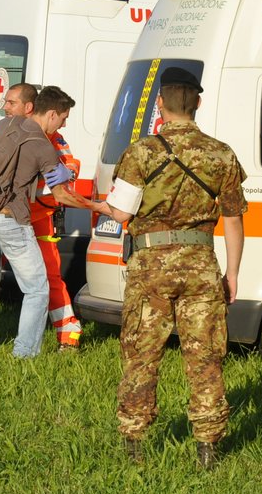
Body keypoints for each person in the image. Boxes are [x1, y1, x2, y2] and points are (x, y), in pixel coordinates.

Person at [101, 67, 246, 469]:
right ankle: (208, 449)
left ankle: (134, 446)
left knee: (141, 355)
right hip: (201, 266)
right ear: (197, 103)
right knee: (205, 358)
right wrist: (232, 273)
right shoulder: (222, 153)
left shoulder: (141, 152)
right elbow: (233, 219)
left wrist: (95, 205)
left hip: (151, 267)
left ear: (160, 103)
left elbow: (120, 211)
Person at [0, 85, 99, 359]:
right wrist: (99, 206)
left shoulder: (4, 128)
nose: (5, 106)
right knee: (39, 289)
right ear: (50, 114)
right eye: (63, 118)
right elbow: (61, 190)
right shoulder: (42, 144)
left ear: (28, 107)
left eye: (10, 101)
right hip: (17, 221)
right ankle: (25, 354)